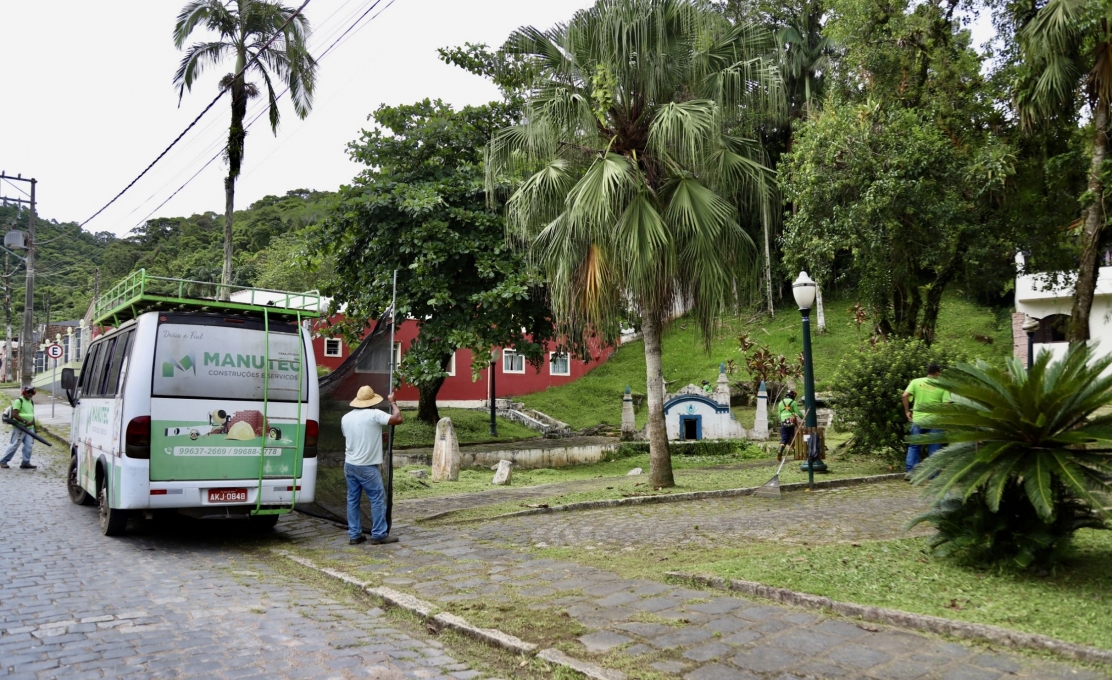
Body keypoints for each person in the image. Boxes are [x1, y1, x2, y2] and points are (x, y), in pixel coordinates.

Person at [342, 385, 403, 545]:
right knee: (376, 499)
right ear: (372, 401)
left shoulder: (346, 417)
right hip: (367, 467)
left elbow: (356, 437)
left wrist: (376, 437)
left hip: (350, 465)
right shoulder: (375, 414)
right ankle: (379, 534)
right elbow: (398, 419)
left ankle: (354, 535)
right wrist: (393, 403)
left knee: (353, 500)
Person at [902, 363, 949, 477]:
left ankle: (910, 473)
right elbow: (946, 405)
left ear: (928, 372)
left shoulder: (916, 382)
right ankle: (933, 475)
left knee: (914, 446)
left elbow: (905, 395)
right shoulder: (943, 386)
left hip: (918, 420)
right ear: (937, 373)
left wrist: (907, 411)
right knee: (935, 448)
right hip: (935, 421)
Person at [1, 387, 37, 470]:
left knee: (29, 446)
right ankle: (3, 461)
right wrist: (25, 422)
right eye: (28, 392)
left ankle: (25, 462)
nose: (30, 394)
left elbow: (31, 415)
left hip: (30, 427)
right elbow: (14, 414)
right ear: (24, 393)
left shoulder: (31, 402)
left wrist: (34, 427)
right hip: (20, 427)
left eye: (32, 392)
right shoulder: (18, 401)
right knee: (14, 445)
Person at [777, 389, 803, 460]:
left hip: (783, 422)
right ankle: (796, 455)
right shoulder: (793, 402)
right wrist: (803, 417)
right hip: (791, 422)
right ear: (792, 396)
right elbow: (798, 412)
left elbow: (779, 414)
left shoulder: (780, 403)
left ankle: (780, 451)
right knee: (794, 438)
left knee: (784, 438)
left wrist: (782, 420)